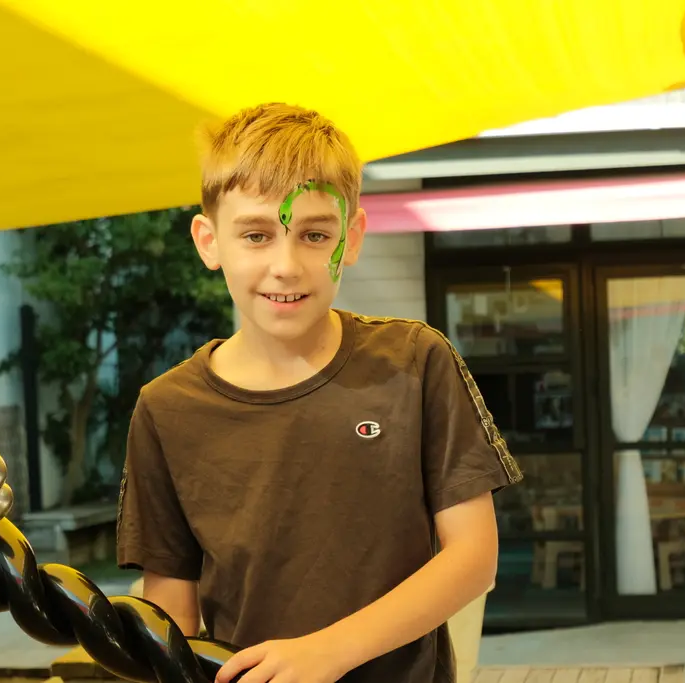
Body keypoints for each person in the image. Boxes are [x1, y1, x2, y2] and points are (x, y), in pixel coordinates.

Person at [115, 102, 523, 683]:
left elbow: (473, 557)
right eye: (256, 235)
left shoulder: (415, 361)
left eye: (314, 235)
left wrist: (328, 652)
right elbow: (172, 614)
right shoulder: (165, 409)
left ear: (350, 238)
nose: (286, 265)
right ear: (209, 242)